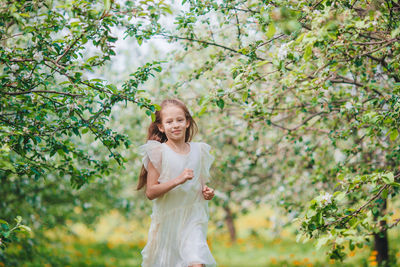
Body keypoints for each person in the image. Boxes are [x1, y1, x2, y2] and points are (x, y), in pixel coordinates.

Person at [137, 98, 217, 267]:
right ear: (161, 127)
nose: (175, 125)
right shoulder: (158, 152)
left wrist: (208, 192)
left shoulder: (199, 150)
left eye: (180, 120)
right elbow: (151, 192)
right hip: (168, 222)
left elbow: (201, 186)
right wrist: (178, 180)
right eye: (169, 121)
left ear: (187, 122)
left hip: (193, 218)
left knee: (197, 261)